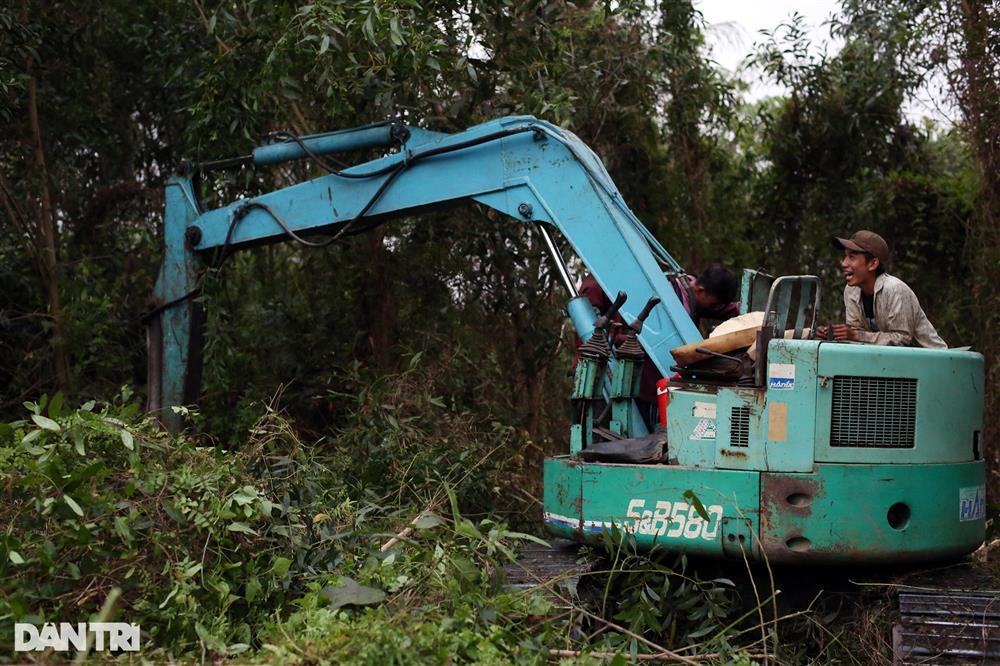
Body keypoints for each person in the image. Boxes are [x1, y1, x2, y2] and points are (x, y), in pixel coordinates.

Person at [576, 265, 740, 417]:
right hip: (640, 380)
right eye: (713, 304)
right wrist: (620, 340)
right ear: (700, 289)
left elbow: (721, 309)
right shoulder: (670, 304)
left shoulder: (685, 290)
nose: (714, 309)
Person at [819, 230, 946, 348]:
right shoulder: (851, 291)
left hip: (930, 363)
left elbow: (902, 339)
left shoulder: (895, 289)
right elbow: (856, 334)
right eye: (845, 256)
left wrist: (856, 335)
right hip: (887, 365)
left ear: (873, 263)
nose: (844, 263)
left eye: (852, 257)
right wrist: (834, 334)